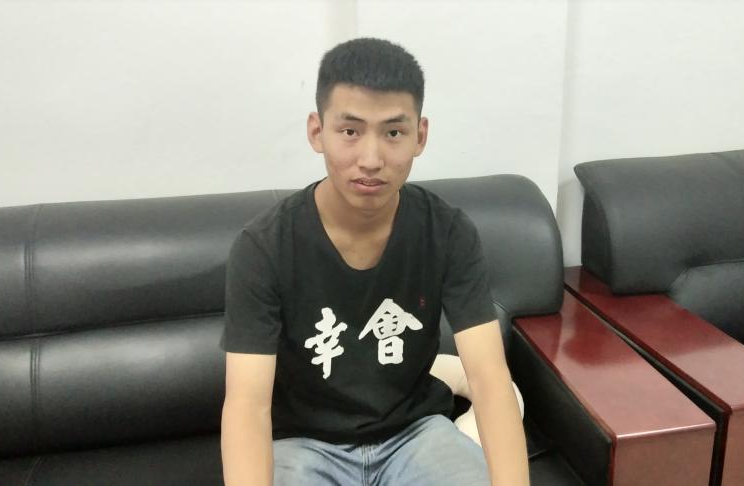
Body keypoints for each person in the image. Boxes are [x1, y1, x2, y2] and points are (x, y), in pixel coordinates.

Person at [219, 37, 529, 486]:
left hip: (415, 434)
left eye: (393, 133)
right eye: (350, 131)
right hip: (304, 444)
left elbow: (488, 379)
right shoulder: (264, 247)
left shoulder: (447, 232)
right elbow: (247, 406)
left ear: (420, 136)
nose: (370, 159)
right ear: (316, 132)